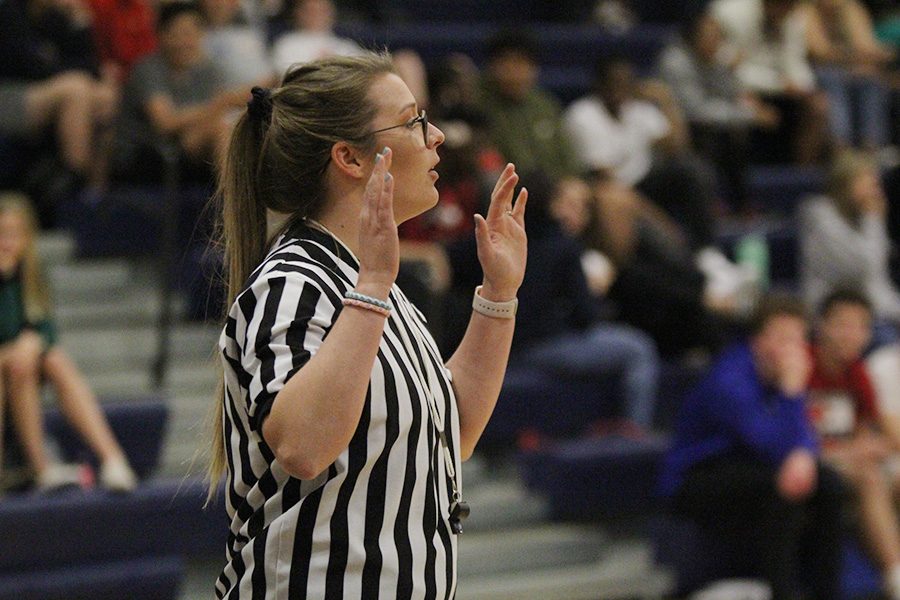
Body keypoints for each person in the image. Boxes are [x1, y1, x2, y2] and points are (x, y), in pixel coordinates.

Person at [207, 53, 528, 597]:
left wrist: (498, 295)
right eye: (413, 121)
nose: (438, 136)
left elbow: (457, 432)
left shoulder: (375, 287)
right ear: (350, 158)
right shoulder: (292, 283)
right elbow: (304, 447)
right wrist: (375, 287)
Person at [658, 294, 846, 599]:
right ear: (757, 340)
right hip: (697, 476)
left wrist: (804, 454)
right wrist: (791, 393)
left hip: (754, 467)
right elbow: (766, 442)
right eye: (782, 338)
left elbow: (803, 435)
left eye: (797, 339)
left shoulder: (784, 376)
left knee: (830, 485)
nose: (791, 349)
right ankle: (782, 593)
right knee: (783, 486)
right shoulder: (729, 378)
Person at [0, 193, 137, 492]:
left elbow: (46, 329)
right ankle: (40, 467)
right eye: (1, 235)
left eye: (13, 234)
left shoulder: (31, 276)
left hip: (20, 372)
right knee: (20, 361)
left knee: (54, 359)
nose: (6, 243)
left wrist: (32, 341)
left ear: (27, 238)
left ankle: (113, 459)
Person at [808, 288, 900, 599]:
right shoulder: (802, 365)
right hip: (807, 461)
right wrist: (849, 451)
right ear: (821, 325)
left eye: (862, 326)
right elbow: (791, 437)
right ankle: (895, 576)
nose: (853, 335)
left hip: (844, 460)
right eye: (843, 324)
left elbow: (869, 433)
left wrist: (864, 446)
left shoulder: (857, 373)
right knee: (870, 476)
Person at [657, 10, 781, 212]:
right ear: (693, 37)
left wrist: (735, 79)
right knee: (718, 130)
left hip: (710, 123)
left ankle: (741, 202)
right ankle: (710, 202)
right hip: (678, 130)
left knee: (736, 130)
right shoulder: (675, 62)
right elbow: (696, 111)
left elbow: (732, 95)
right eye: (711, 37)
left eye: (719, 37)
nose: (717, 42)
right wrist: (749, 116)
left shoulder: (717, 57)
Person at [110, 0, 236, 185]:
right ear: (161, 35)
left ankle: (236, 197)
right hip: (147, 154)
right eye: (178, 34)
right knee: (221, 129)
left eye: (192, 33)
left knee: (233, 130)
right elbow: (164, 123)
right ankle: (235, 201)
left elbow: (217, 114)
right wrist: (223, 103)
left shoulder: (209, 70)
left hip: (190, 150)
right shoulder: (147, 69)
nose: (186, 42)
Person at [711, 0, 832, 164]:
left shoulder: (793, 17)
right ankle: (744, 177)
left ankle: (801, 175)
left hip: (781, 89)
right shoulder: (730, 13)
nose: (788, 11)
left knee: (818, 105)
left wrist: (801, 85)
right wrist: (778, 83)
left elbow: (795, 60)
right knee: (744, 101)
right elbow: (729, 66)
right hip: (741, 87)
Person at [799, 149, 900, 326]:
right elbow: (866, 268)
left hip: (872, 311)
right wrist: (873, 220)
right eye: (867, 182)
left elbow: (879, 284)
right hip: (833, 315)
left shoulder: (861, 217)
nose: (874, 191)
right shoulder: (821, 218)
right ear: (845, 184)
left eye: (875, 183)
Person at [477, 29, 578, 181]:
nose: (513, 69)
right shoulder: (478, 105)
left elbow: (568, 158)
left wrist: (572, 183)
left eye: (520, 62)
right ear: (492, 66)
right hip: (511, 187)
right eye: (506, 61)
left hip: (556, 188)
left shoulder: (545, 104)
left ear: (534, 68)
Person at [804, 0, 895, 151]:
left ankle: (872, 145)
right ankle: (841, 145)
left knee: (871, 80)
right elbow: (820, 53)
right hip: (818, 73)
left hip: (851, 70)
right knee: (832, 79)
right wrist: (855, 57)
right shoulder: (807, 11)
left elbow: (868, 47)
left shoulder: (852, 9)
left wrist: (866, 57)